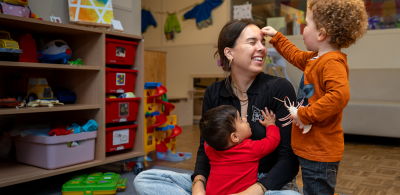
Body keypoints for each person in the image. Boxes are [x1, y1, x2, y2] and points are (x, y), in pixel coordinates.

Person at [134, 19, 300, 195]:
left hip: (266, 184)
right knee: (145, 179)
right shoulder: (214, 93)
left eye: (262, 42)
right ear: (229, 52)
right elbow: (204, 149)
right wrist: (198, 186)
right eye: (252, 42)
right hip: (221, 181)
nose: (262, 48)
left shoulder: (279, 88)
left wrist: (254, 191)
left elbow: (288, 159)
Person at [261, 0, 368, 194]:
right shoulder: (315, 58)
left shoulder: (332, 62)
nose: (303, 29)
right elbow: (294, 55)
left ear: (321, 33)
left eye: (307, 24)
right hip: (310, 148)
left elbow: (339, 96)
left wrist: (305, 115)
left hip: (321, 152)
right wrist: (276, 37)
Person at [200, 105, 280, 195]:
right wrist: (271, 125)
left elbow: (206, 143)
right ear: (234, 137)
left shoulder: (210, 150)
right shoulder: (251, 149)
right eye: (241, 120)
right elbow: (273, 141)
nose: (245, 119)